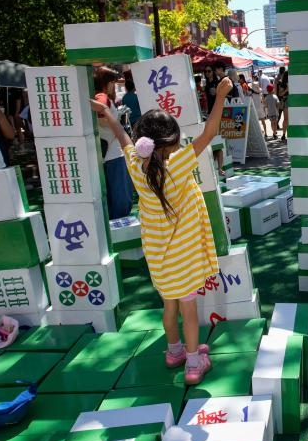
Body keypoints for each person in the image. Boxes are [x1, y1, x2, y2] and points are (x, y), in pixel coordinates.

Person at [126, 75, 233, 385]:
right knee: (189, 312)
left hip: (159, 261)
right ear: (168, 144)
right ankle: (193, 363)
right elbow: (210, 132)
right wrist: (220, 96)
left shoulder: (136, 167)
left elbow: (124, 142)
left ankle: (173, 352)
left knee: (168, 307)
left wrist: (113, 122)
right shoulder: (177, 165)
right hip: (183, 260)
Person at [94, 66, 134, 219]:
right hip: (114, 154)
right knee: (120, 196)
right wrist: (112, 120)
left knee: (116, 196)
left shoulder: (99, 98)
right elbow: (101, 110)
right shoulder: (101, 97)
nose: (115, 86)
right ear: (107, 83)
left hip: (109, 152)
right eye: (112, 82)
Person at [276, 66, 289, 142]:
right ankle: (284, 134)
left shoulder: (284, 83)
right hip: (286, 102)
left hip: (291, 102)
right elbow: (280, 94)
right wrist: (287, 89)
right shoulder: (283, 84)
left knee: (287, 119)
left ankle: (285, 134)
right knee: (286, 119)